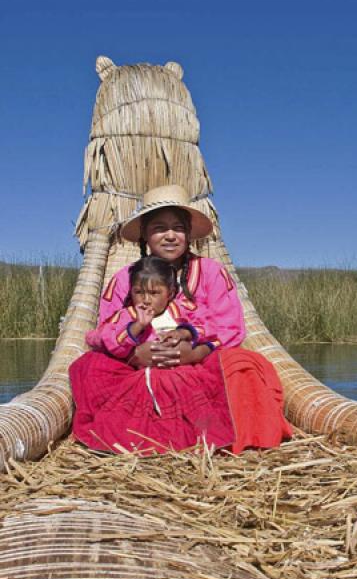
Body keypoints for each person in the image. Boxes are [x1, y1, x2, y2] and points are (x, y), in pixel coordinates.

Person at [69, 184, 292, 456]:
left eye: (178, 228)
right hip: (138, 368)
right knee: (89, 366)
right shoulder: (124, 279)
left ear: (188, 234)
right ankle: (133, 439)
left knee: (242, 364)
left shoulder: (211, 272)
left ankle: (231, 436)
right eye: (159, 228)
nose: (170, 236)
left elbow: (230, 328)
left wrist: (192, 353)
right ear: (145, 236)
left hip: (201, 362)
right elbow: (106, 329)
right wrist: (136, 354)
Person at [85, 256, 182, 359]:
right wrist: (138, 326)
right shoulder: (126, 317)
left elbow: (199, 328)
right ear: (131, 292)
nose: (146, 300)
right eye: (139, 292)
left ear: (170, 293)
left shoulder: (180, 311)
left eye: (154, 293)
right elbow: (111, 345)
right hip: (137, 368)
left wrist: (183, 333)